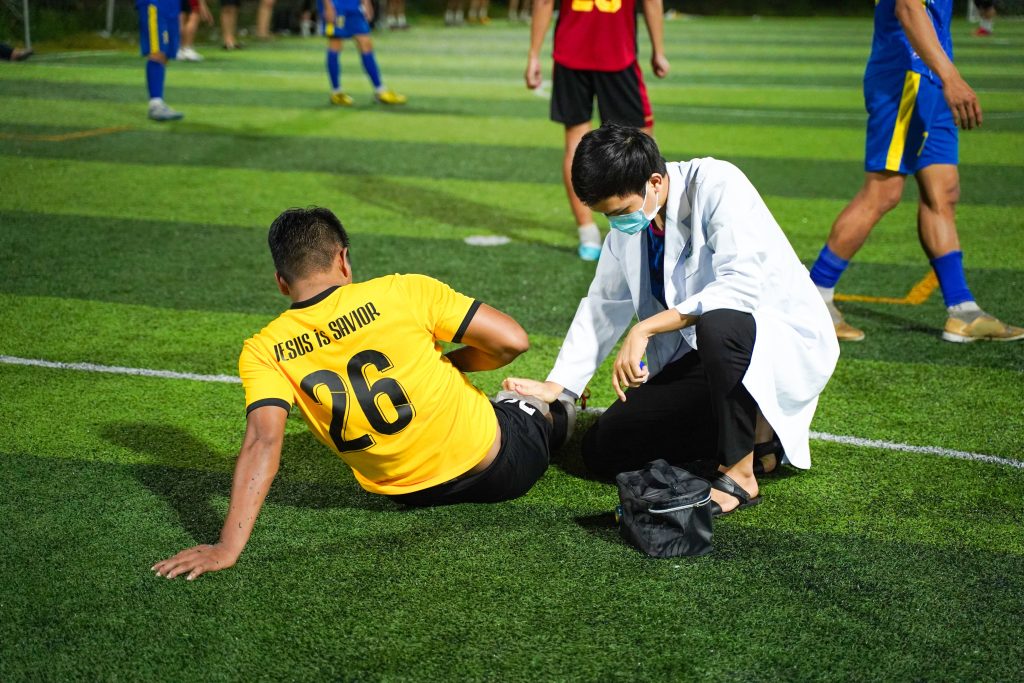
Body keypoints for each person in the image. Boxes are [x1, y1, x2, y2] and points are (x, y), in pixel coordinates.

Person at [151, 207, 573, 580]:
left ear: (281, 282)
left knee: (498, 403)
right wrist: (446, 365)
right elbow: (513, 341)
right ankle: (561, 408)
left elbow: (263, 441)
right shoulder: (402, 291)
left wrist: (227, 547)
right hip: (501, 469)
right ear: (342, 259)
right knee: (532, 402)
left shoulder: (264, 349)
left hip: (411, 495)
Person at [504, 125, 839, 516]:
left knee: (719, 322)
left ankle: (740, 473)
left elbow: (740, 288)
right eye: (606, 216)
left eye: (619, 212)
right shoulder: (635, 220)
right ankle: (761, 438)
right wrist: (559, 387)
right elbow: (604, 303)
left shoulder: (718, 183)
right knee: (604, 449)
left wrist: (646, 327)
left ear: (655, 181)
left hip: (771, 341)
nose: (616, 224)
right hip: (704, 355)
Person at [809, 0, 1022, 343]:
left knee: (944, 192)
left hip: (932, 78)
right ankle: (814, 296)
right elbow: (908, 7)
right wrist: (951, 77)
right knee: (883, 192)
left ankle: (963, 311)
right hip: (905, 77)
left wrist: (944, 76)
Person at [525, 0, 669, 262]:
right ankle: (650, 228)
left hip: (570, 51)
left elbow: (543, 2)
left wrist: (533, 54)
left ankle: (587, 233)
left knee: (574, 144)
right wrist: (658, 49)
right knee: (640, 141)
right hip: (616, 51)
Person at [318, 0, 407, 105]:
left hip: (354, 6)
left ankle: (380, 90)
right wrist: (328, 6)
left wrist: (366, 2)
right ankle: (336, 91)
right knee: (335, 44)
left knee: (366, 43)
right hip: (336, 6)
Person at [136, 0, 185, 121]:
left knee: (166, 54)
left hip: (172, 6)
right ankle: (155, 105)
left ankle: (159, 103)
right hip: (155, 4)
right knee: (157, 52)